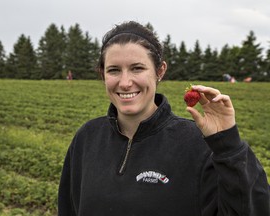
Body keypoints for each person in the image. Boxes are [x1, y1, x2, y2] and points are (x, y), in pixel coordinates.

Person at [58, 21, 270, 215]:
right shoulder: (87, 138)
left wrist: (228, 144)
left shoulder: (198, 145)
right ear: (103, 74)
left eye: (137, 68)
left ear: (160, 71)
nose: (124, 82)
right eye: (114, 70)